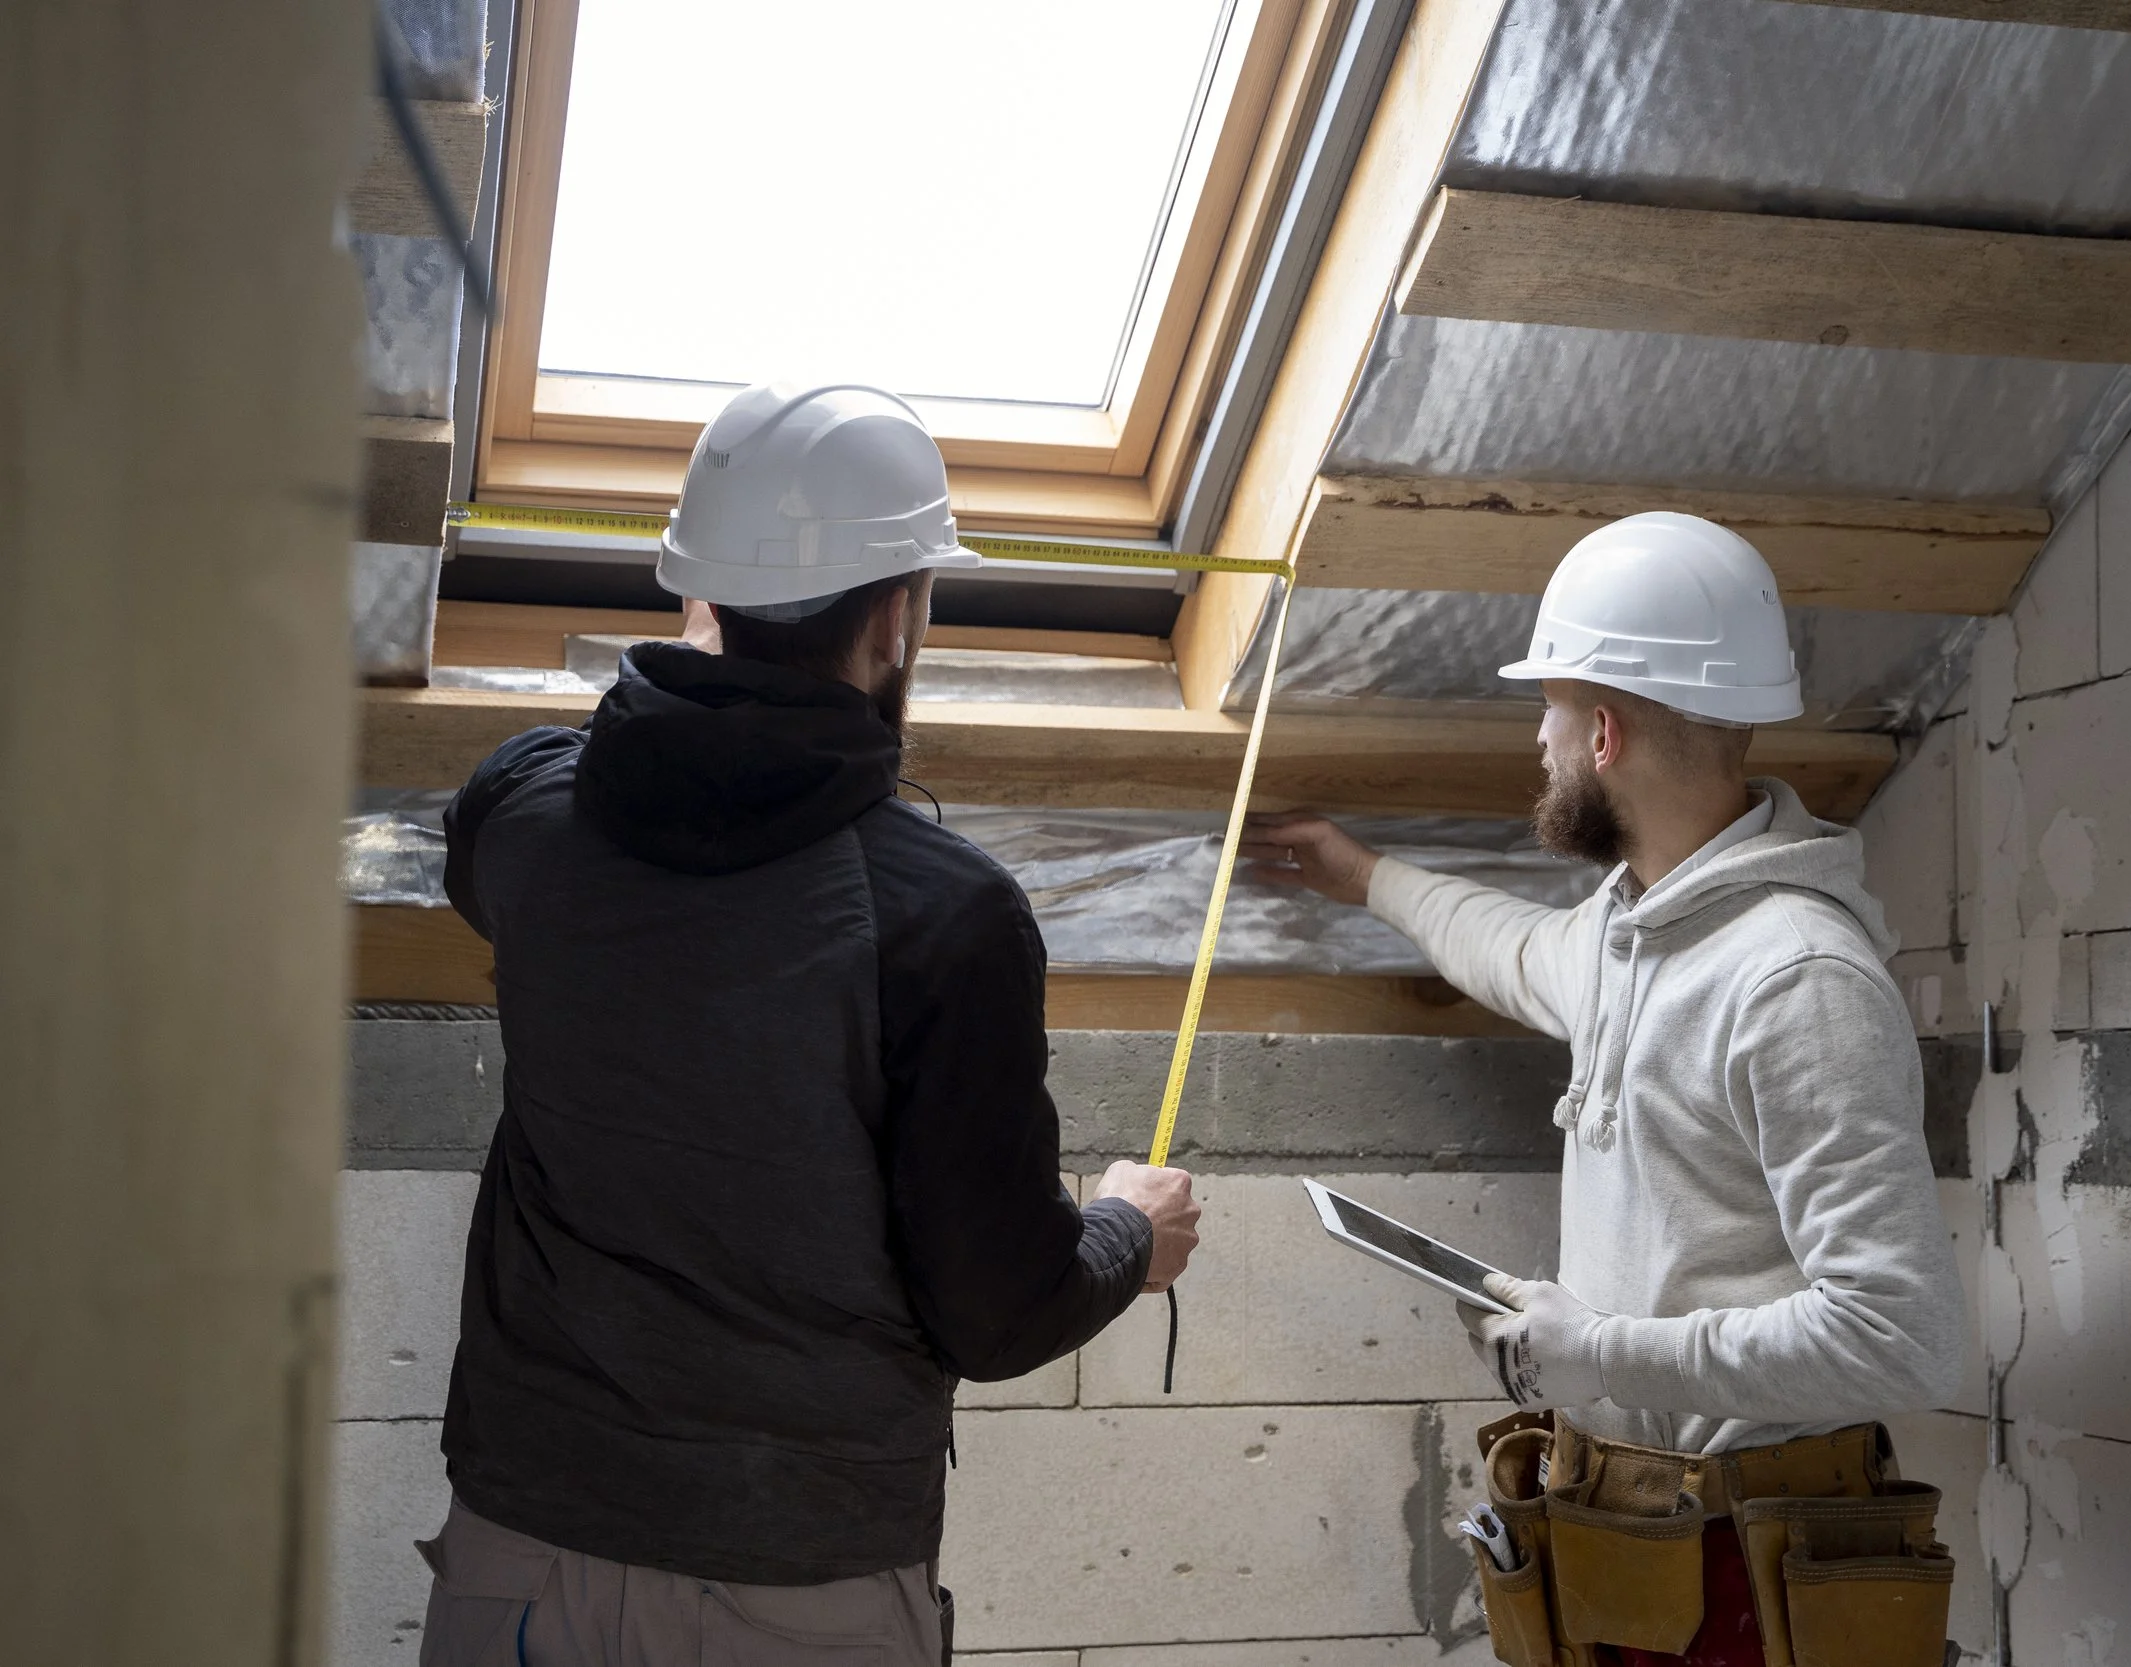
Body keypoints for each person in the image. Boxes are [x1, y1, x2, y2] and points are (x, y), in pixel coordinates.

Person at [418, 383, 1200, 1667]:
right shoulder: (946, 916)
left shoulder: (523, 815)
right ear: (895, 619)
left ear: (697, 597)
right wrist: (1129, 1232)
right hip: (798, 1584)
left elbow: (511, 846)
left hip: (519, 1542)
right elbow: (998, 1312)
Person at [1245, 513, 1962, 1667]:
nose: (1539, 737)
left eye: (1552, 709)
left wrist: (1608, 1351)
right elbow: (1515, 949)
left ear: (1607, 731)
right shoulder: (1632, 928)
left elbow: (1901, 1335)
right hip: (1641, 1541)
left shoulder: (1794, 977)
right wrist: (1361, 874)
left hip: (1753, 1564)